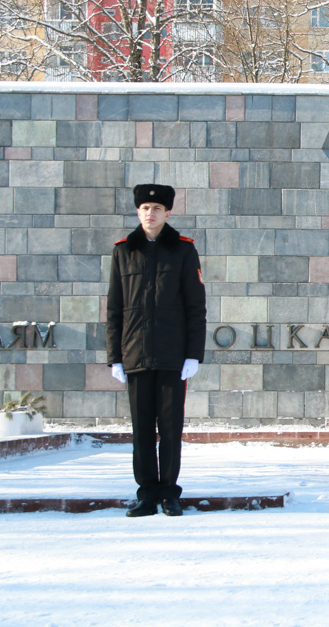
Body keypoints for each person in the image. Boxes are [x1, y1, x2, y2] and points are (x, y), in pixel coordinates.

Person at [107, 184, 207, 517]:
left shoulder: (183, 250)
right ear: (138, 212)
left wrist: (193, 354)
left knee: (170, 429)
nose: (151, 214)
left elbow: (195, 306)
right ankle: (146, 494)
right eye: (145, 208)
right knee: (141, 431)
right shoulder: (123, 251)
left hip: (172, 357)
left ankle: (169, 493)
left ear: (168, 213)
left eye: (157, 208)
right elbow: (114, 308)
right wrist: (114, 357)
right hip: (135, 355)